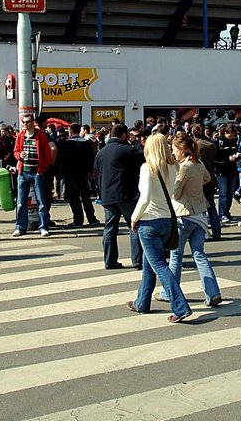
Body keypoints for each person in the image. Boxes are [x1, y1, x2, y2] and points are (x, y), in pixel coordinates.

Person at [126, 133, 191, 323]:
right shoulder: (173, 166)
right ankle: (142, 303)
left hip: (149, 223)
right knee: (149, 265)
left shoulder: (147, 168)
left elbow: (145, 198)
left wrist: (133, 218)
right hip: (166, 221)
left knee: (160, 266)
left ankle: (180, 307)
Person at [157, 135, 221, 306]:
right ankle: (213, 292)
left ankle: (169, 292)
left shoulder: (183, 168)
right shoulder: (199, 164)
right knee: (200, 255)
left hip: (183, 215)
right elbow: (207, 178)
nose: (172, 153)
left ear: (182, 150)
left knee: (176, 256)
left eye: (174, 150)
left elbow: (175, 193)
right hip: (200, 214)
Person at [95, 123, 144, 269]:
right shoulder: (126, 150)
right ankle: (137, 260)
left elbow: (96, 173)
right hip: (126, 195)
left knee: (110, 228)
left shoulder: (101, 152)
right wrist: (136, 143)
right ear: (124, 135)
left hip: (107, 196)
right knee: (133, 226)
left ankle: (109, 261)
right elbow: (141, 159)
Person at [12, 113, 53, 237]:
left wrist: (42, 169)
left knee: (41, 201)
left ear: (32, 122)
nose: (25, 124)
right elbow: (16, 151)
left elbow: (47, 154)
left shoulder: (40, 135)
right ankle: (20, 227)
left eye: (27, 122)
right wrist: (20, 156)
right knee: (20, 202)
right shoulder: (20, 135)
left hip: (37, 173)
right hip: (23, 172)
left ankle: (43, 227)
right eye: (23, 122)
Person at [58, 123, 100, 227]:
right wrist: (90, 171)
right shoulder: (86, 143)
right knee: (85, 196)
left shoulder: (65, 144)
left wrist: (62, 172)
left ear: (70, 131)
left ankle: (78, 220)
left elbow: (62, 160)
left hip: (70, 174)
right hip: (83, 174)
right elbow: (91, 157)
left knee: (74, 198)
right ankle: (92, 218)